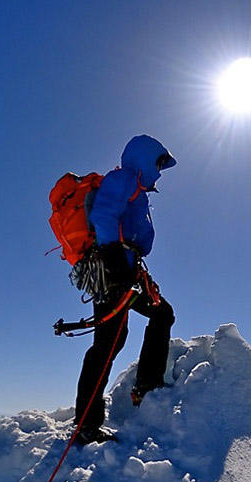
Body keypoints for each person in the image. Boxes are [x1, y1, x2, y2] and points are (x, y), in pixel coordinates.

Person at [74, 135, 177, 444]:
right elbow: (103, 215)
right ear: (144, 160)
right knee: (108, 343)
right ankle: (86, 425)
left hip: (126, 269)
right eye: (158, 164)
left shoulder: (137, 191)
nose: (160, 172)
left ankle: (146, 386)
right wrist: (114, 259)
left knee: (161, 314)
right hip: (113, 271)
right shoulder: (123, 179)